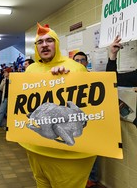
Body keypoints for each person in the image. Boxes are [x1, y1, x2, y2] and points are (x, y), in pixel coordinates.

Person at [20, 23, 96, 188]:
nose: (45, 45)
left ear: (57, 43)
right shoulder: (30, 70)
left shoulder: (75, 68)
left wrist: (68, 79)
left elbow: (90, 108)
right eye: (40, 42)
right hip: (37, 150)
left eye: (49, 40)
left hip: (67, 157)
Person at [73, 51, 99, 188]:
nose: (79, 63)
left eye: (82, 60)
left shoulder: (94, 78)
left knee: (91, 151)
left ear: (86, 62)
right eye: (76, 60)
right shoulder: (67, 79)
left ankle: (91, 179)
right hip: (73, 121)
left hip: (91, 121)